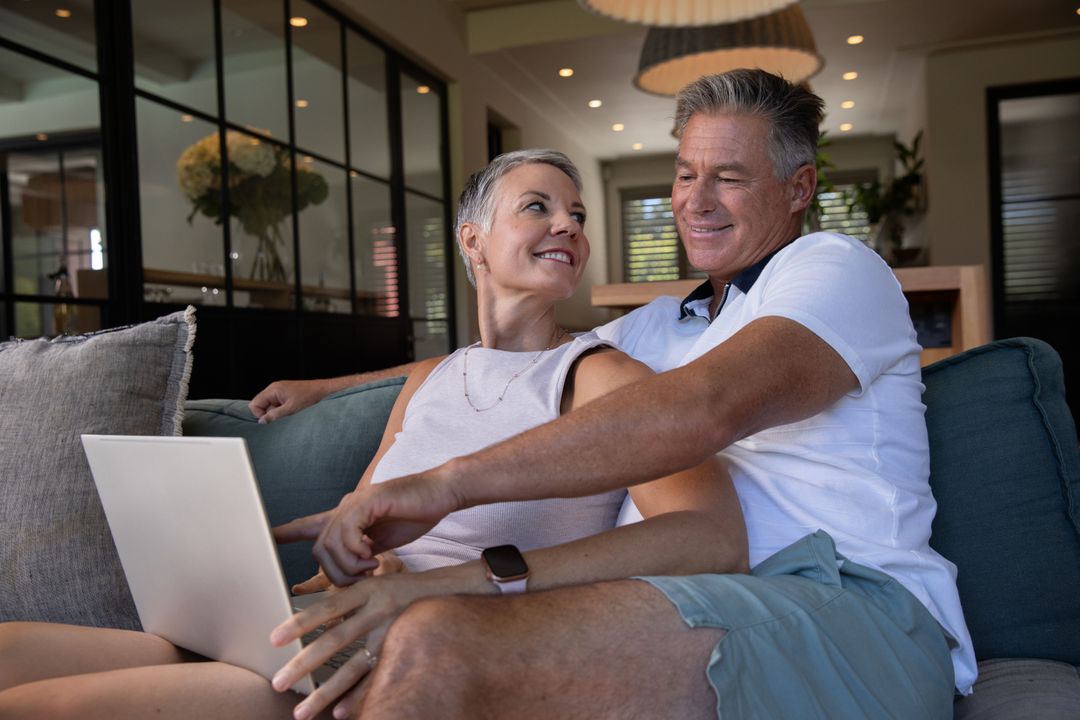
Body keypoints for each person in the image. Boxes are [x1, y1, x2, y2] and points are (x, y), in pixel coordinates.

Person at [267, 70, 977, 719]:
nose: (695, 202)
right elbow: (506, 360)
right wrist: (329, 388)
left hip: (850, 615)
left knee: (437, 639)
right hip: (695, 602)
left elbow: (704, 409)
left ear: (798, 188)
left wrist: (445, 487)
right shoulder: (657, 328)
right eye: (686, 175)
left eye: (727, 178)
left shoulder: (837, 269)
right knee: (412, 643)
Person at [0, 150, 746, 720]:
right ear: (474, 242)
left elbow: (709, 537)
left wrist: (440, 589)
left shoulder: (600, 378)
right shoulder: (430, 381)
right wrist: (311, 555)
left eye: (578, 215)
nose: (569, 226)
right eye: (540, 206)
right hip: (302, 620)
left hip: (394, 658)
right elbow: (360, 526)